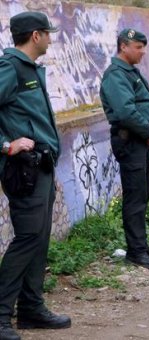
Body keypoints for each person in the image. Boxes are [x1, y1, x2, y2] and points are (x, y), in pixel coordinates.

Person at [0, 11, 71, 340]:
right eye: (47, 33)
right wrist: (5, 145)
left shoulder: (29, 69)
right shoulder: (10, 68)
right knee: (27, 238)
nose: (51, 39)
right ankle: (1, 315)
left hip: (41, 165)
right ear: (35, 36)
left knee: (39, 239)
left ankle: (31, 308)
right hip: (23, 170)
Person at [100, 28, 149, 270]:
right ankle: (136, 251)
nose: (143, 52)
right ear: (124, 46)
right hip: (131, 141)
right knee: (135, 197)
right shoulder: (117, 74)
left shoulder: (129, 72)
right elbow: (126, 112)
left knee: (142, 193)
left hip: (138, 140)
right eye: (138, 47)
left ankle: (141, 244)